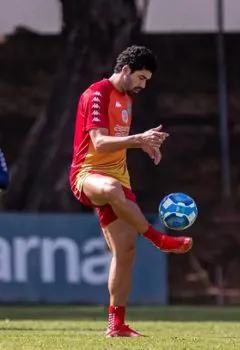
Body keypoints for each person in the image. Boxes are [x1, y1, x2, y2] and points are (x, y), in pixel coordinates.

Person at [69, 45, 193, 337]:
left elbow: (119, 142)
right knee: (111, 188)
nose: (143, 84)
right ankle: (158, 238)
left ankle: (116, 324)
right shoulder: (96, 94)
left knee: (125, 251)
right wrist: (139, 139)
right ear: (125, 70)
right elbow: (99, 143)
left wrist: (144, 144)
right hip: (88, 175)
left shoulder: (126, 98)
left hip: (119, 178)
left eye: (147, 80)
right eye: (141, 77)